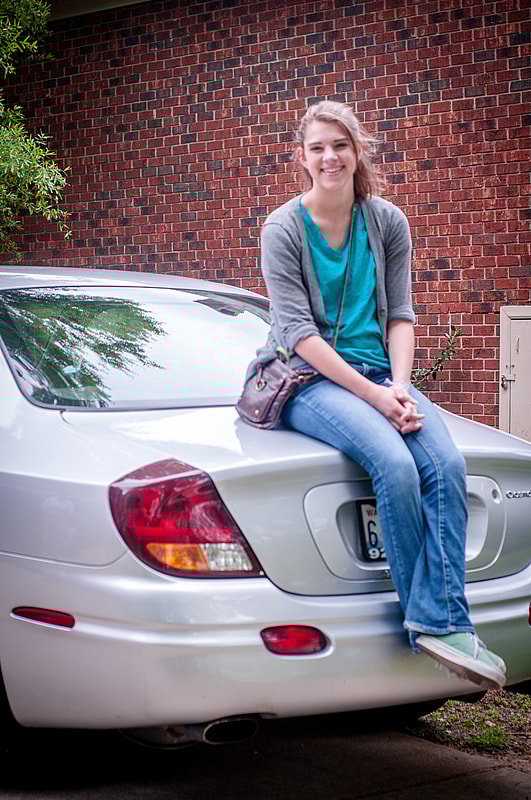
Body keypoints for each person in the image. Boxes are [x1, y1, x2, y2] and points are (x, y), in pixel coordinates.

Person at [245, 100, 506, 690]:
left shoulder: (387, 222)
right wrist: (375, 396)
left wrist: (402, 388)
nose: (329, 157)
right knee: (392, 463)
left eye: (339, 145)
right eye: (317, 148)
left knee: (445, 463)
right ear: (302, 158)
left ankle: (447, 628)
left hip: (382, 375)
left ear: (357, 150)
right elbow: (297, 335)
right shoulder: (283, 228)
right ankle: (433, 624)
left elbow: (401, 316)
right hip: (307, 378)